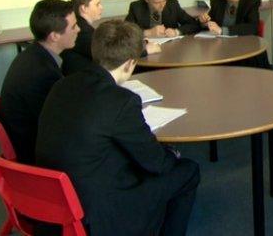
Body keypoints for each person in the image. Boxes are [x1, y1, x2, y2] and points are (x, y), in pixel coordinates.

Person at [36, 20, 200, 236]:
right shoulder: (121, 100)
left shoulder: (63, 84)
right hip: (97, 212)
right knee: (187, 170)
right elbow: (156, 164)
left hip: (52, 198)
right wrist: (171, 153)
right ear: (130, 63)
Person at [0, 0, 79, 164]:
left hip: (29, 137)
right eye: (73, 26)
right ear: (54, 36)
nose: (78, 29)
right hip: (35, 153)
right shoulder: (42, 73)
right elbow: (59, 126)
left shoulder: (34, 54)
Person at [62, 0, 160, 75]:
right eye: (97, 4)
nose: (102, 7)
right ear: (84, 8)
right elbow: (111, 54)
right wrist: (145, 50)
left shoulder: (82, 25)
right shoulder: (81, 31)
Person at [125, 0, 201, 37]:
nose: (162, 5)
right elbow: (125, 32)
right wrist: (148, 32)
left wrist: (176, 32)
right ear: (146, 0)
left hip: (171, 47)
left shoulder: (172, 5)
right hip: (147, 49)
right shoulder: (136, 7)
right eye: (157, 3)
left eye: (164, 1)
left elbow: (194, 24)